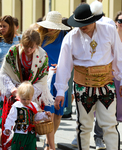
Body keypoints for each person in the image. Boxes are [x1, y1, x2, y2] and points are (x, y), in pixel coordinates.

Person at [54, 1, 122, 150]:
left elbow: (119, 56)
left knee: (110, 125)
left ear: (94, 20)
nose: (82, 27)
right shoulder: (70, 37)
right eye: (79, 24)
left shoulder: (109, 30)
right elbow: (64, 66)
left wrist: (121, 78)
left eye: (86, 23)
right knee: (83, 126)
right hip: (82, 86)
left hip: (106, 84)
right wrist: (60, 91)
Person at [36, 11, 71, 150]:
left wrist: (62, 65)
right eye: (49, 25)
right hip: (45, 77)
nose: (51, 28)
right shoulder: (39, 36)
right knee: (48, 111)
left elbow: (71, 57)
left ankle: (50, 141)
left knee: (59, 112)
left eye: (54, 26)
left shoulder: (66, 36)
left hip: (61, 77)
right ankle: (49, 143)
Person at [4, 81, 52, 150]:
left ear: (32, 96)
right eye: (23, 99)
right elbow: (10, 118)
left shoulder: (33, 106)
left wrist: (45, 115)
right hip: (20, 133)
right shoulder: (16, 106)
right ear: (19, 96)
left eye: (28, 99)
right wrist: (8, 127)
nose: (26, 101)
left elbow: (36, 116)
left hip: (31, 134)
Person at [114, 11, 122, 122]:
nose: (121, 23)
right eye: (120, 21)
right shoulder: (110, 37)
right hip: (111, 75)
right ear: (116, 22)